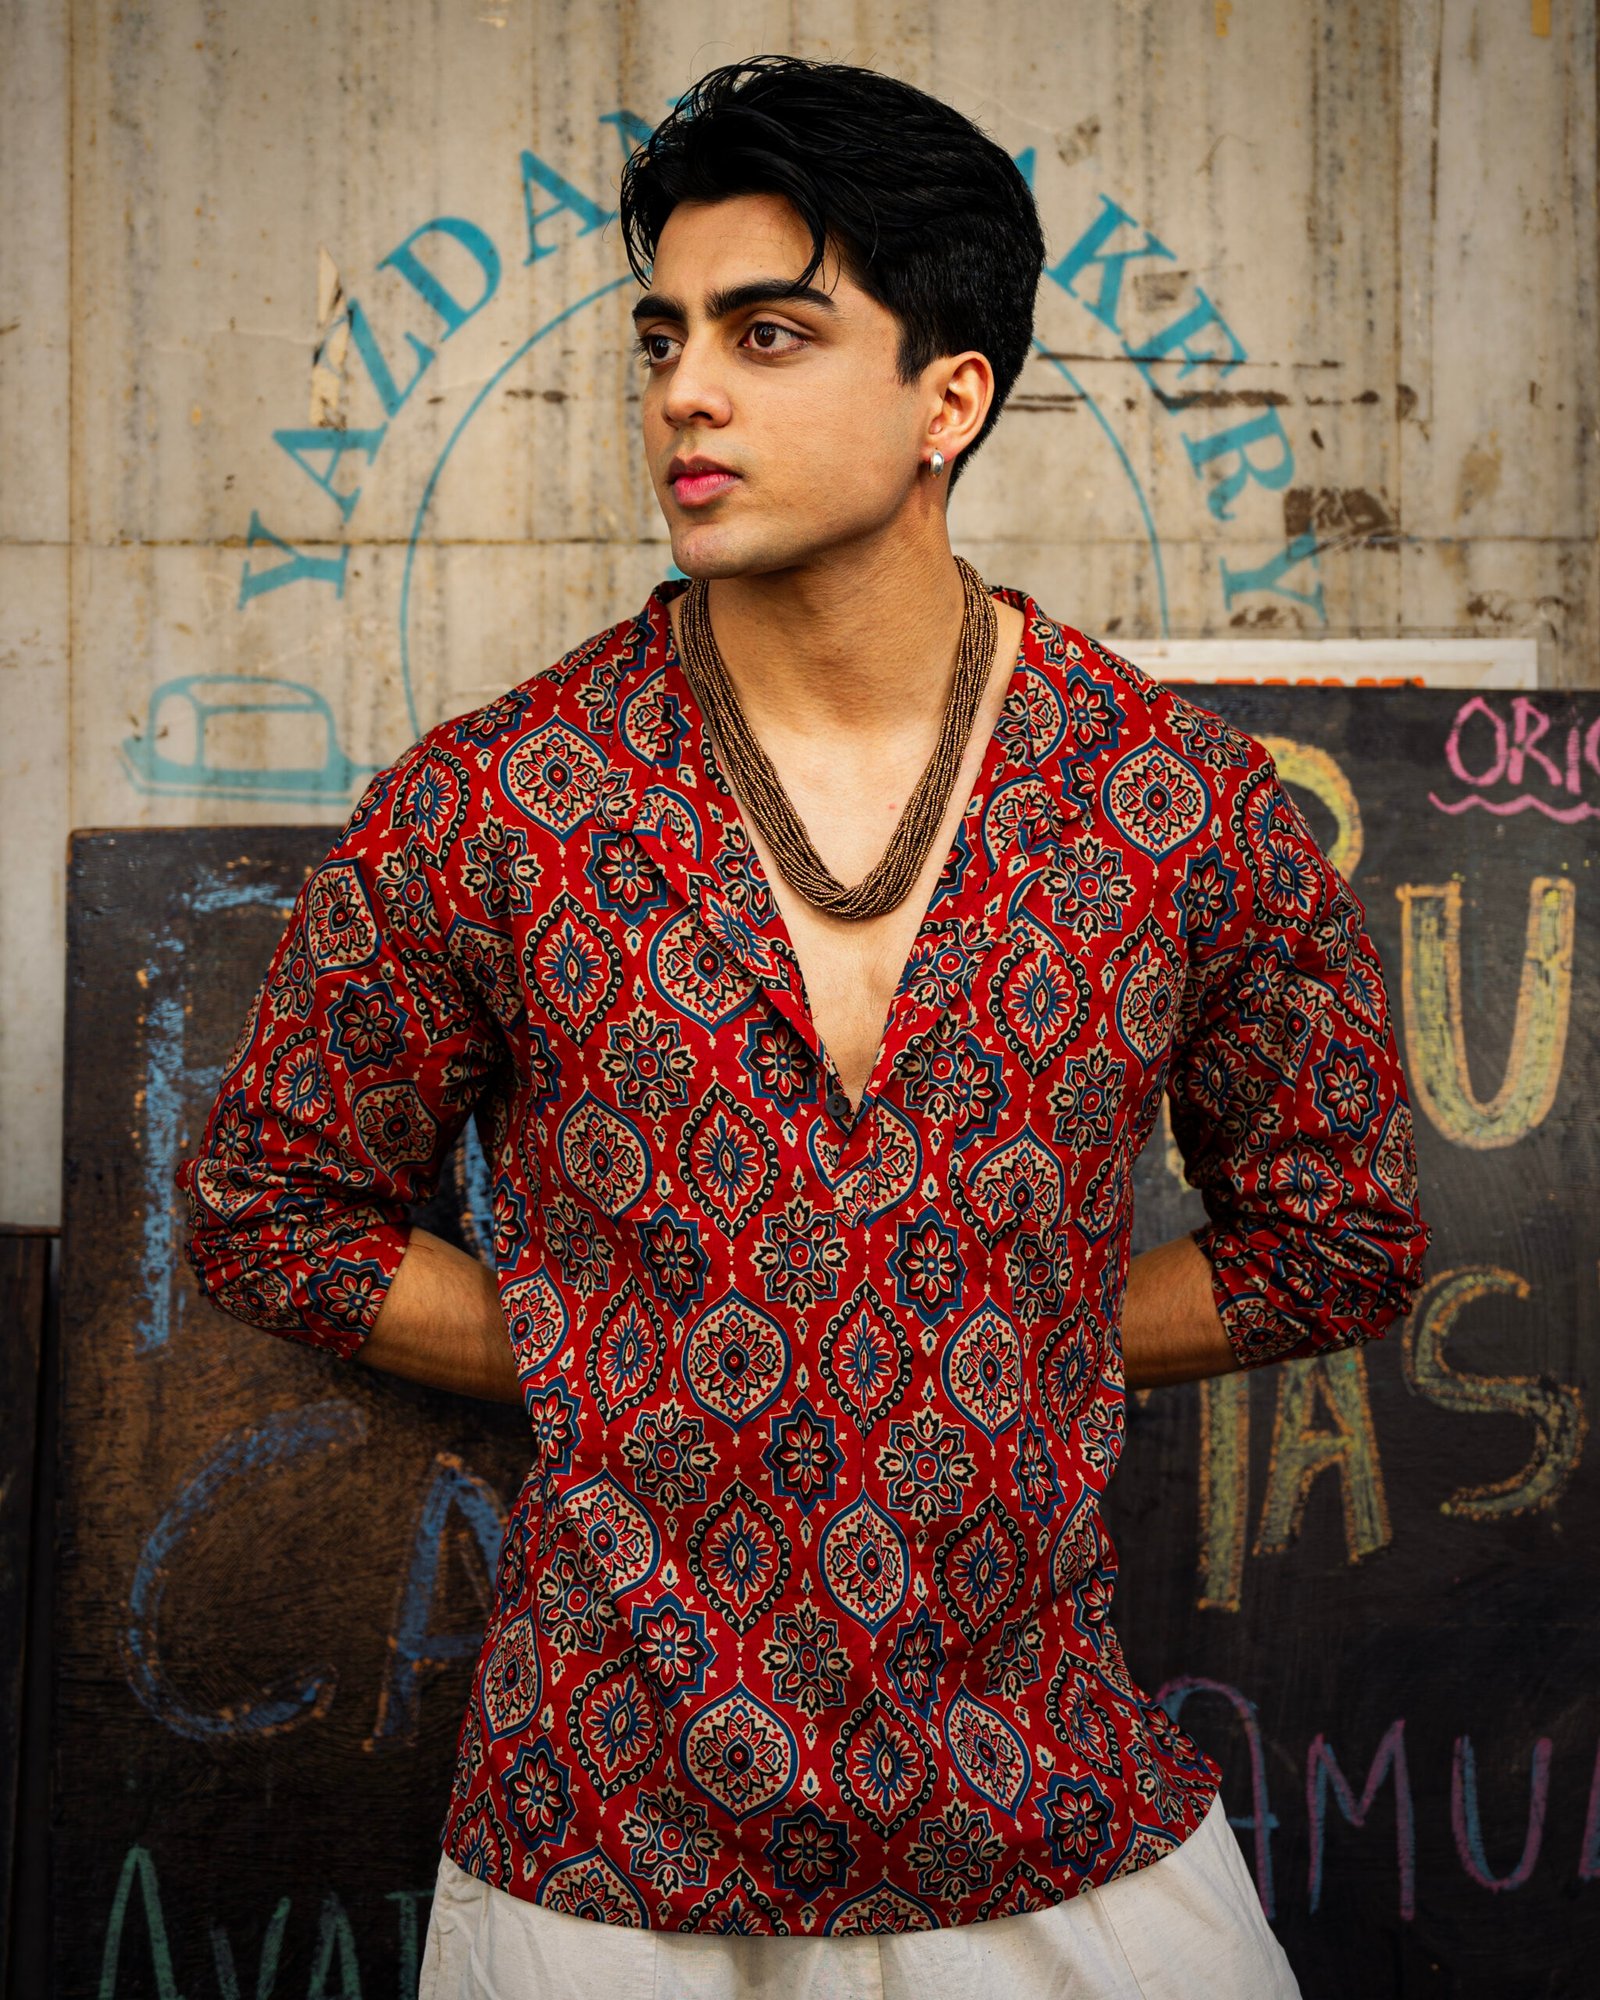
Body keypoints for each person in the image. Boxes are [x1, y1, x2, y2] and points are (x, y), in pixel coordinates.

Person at [178, 54, 1428, 2000]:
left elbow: (1338, 1237)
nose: (685, 389)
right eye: (663, 335)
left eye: (768, 333)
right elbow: (269, 1210)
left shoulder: (1174, 809)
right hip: (599, 1845)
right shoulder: (492, 806)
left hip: (1053, 1817)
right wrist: (617, 1352)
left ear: (950, 396)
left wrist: (991, 1338)